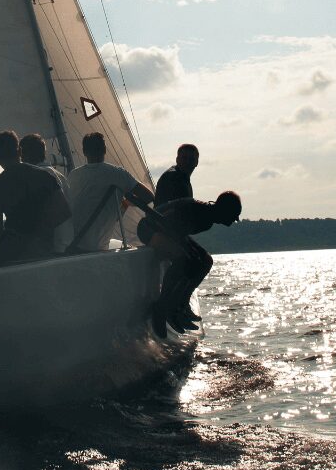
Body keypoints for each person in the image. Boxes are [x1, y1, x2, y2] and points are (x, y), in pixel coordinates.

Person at [147, 190, 241, 336]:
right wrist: (189, 253)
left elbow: (180, 234)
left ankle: (181, 304)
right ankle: (162, 306)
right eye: (233, 216)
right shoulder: (200, 212)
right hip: (150, 229)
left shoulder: (207, 220)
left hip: (170, 232)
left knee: (205, 261)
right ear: (224, 211)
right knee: (185, 260)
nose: (234, 220)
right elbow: (167, 223)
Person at [0, 130, 68, 270]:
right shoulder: (45, 176)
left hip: (13, 249)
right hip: (44, 247)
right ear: (20, 151)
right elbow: (63, 213)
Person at [65, 132, 141, 252]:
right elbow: (148, 196)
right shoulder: (118, 174)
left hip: (73, 247)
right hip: (99, 248)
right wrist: (124, 204)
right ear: (104, 150)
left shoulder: (73, 176)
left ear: (84, 152)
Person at [137, 143, 198, 247]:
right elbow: (169, 213)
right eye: (184, 158)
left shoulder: (181, 178)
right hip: (159, 230)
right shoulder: (173, 178)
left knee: (205, 258)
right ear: (177, 159)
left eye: (191, 159)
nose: (188, 162)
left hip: (167, 230)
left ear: (196, 162)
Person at [18, 133, 70, 251]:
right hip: (67, 243)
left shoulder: (36, 178)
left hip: (51, 248)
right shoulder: (60, 176)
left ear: (25, 155)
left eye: (21, 154)